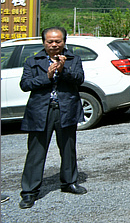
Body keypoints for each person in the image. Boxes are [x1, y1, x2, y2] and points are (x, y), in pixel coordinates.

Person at [19, 27, 87, 209]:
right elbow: (25, 84)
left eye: (58, 41)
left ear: (64, 42)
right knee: (36, 152)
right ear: (44, 43)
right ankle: (29, 191)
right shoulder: (32, 61)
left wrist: (63, 70)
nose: (54, 45)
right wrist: (47, 76)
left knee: (68, 148)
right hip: (41, 111)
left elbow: (79, 79)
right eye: (50, 41)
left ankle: (69, 182)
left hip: (66, 109)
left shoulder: (73, 59)